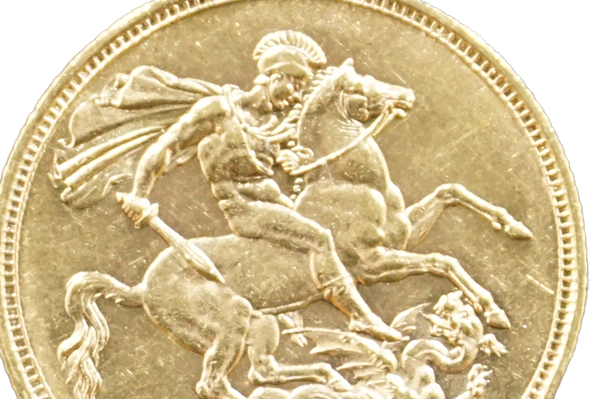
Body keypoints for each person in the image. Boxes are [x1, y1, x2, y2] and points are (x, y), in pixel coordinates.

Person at [119, 31, 401, 341]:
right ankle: (360, 318)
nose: (296, 96)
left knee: (332, 242)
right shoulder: (220, 111)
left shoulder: (273, 126)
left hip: (277, 205)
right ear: (275, 76)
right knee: (320, 239)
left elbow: (292, 164)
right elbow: (167, 147)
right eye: (295, 85)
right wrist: (139, 194)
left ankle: (293, 306)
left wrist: (294, 160)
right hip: (245, 209)